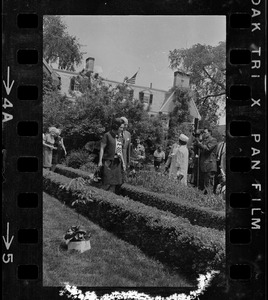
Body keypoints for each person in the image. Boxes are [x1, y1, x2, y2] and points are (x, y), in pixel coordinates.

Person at [98, 118, 125, 193]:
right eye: (121, 127)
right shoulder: (107, 135)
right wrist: (100, 161)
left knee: (115, 184)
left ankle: (110, 199)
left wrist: (123, 162)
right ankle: (100, 197)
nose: (122, 129)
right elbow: (102, 148)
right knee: (106, 183)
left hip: (117, 162)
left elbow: (120, 151)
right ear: (116, 126)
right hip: (108, 162)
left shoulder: (120, 137)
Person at [195, 128, 218, 194]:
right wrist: (196, 140)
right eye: (202, 132)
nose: (203, 134)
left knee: (208, 186)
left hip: (209, 166)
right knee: (203, 186)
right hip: (203, 166)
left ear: (209, 133)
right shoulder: (203, 141)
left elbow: (207, 148)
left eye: (204, 132)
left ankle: (209, 200)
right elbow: (196, 150)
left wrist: (199, 143)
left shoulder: (213, 140)